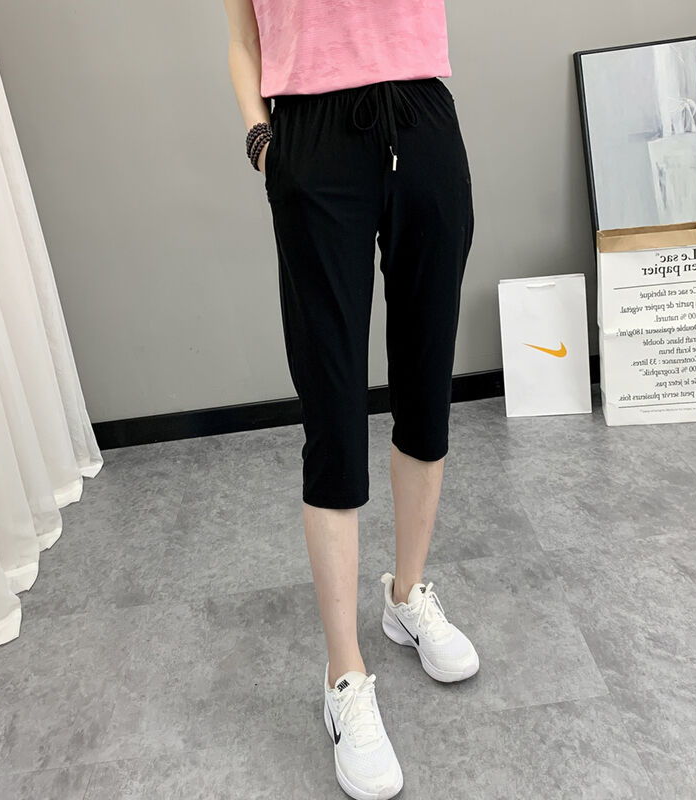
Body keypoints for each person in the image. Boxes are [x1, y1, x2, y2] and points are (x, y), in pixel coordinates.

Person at [223, 1, 477, 797]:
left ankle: (406, 596)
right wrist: (264, 142)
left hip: (423, 118)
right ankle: (344, 674)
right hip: (312, 134)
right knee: (332, 414)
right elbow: (242, 37)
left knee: (427, 389)